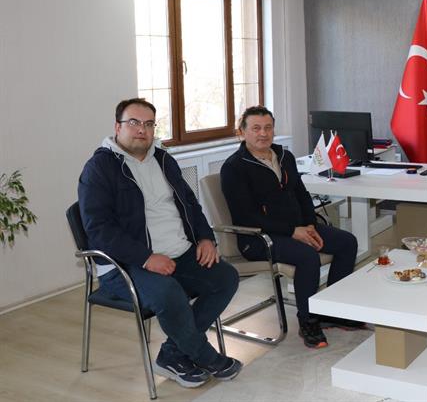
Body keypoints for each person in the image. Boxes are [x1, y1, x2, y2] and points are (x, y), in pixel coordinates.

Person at [78, 98, 242, 388]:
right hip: (125, 264)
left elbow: (190, 204)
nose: (142, 129)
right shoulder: (99, 168)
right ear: (117, 127)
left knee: (225, 277)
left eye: (149, 124)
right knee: (169, 293)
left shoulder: (164, 160)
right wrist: (146, 257)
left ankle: (172, 354)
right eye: (133, 123)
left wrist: (205, 237)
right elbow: (99, 230)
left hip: (178, 252)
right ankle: (206, 356)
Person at [219, 106, 362, 349]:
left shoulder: (284, 156)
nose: (263, 133)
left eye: (268, 127)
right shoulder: (234, 167)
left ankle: (332, 311)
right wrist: (293, 231)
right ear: (242, 132)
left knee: (347, 242)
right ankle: (308, 321)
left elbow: (301, 194)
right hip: (258, 238)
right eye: (256, 128)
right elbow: (247, 216)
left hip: (297, 228)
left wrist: (310, 224)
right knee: (307, 256)